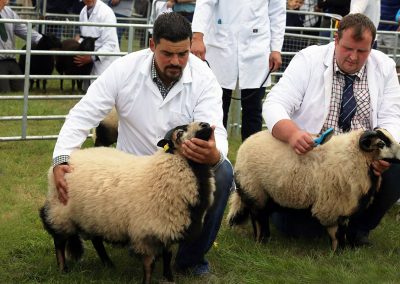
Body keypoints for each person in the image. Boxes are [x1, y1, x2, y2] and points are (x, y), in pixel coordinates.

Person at [52, 12, 233, 276]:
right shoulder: (124, 69)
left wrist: (214, 153)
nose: (176, 61)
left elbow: (215, 129)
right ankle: (136, 235)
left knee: (224, 171)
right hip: (132, 170)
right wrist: (61, 158)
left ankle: (190, 259)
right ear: (151, 45)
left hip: (176, 169)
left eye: (182, 54)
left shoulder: (204, 78)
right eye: (167, 54)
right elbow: (84, 113)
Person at [262, 13, 400, 247]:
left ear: (371, 47)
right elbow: (275, 103)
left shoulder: (384, 66)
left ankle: (359, 229)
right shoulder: (308, 59)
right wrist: (294, 134)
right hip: (313, 160)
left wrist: (381, 153)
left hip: (361, 159)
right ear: (336, 39)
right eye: (347, 48)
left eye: (362, 51)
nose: (353, 57)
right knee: (299, 232)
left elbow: (392, 117)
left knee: (396, 167)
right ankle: (300, 217)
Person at [191, 0, 286, 141]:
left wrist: (276, 48)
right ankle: (215, 158)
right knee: (216, 108)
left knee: (253, 111)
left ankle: (253, 160)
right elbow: (205, 3)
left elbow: (277, 11)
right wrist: (197, 37)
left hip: (257, 46)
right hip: (221, 44)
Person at [0, 0, 43, 92]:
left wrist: (43, 40)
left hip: (10, 59)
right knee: (5, 91)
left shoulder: (8, 12)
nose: (7, 1)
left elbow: (23, 30)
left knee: (22, 90)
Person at [74, 0, 120, 79]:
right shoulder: (83, 12)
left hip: (106, 61)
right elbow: (84, 37)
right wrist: (78, 41)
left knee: (104, 86)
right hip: (89, 61)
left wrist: (92, 57)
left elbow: (110, 43)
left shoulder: (106, 13)